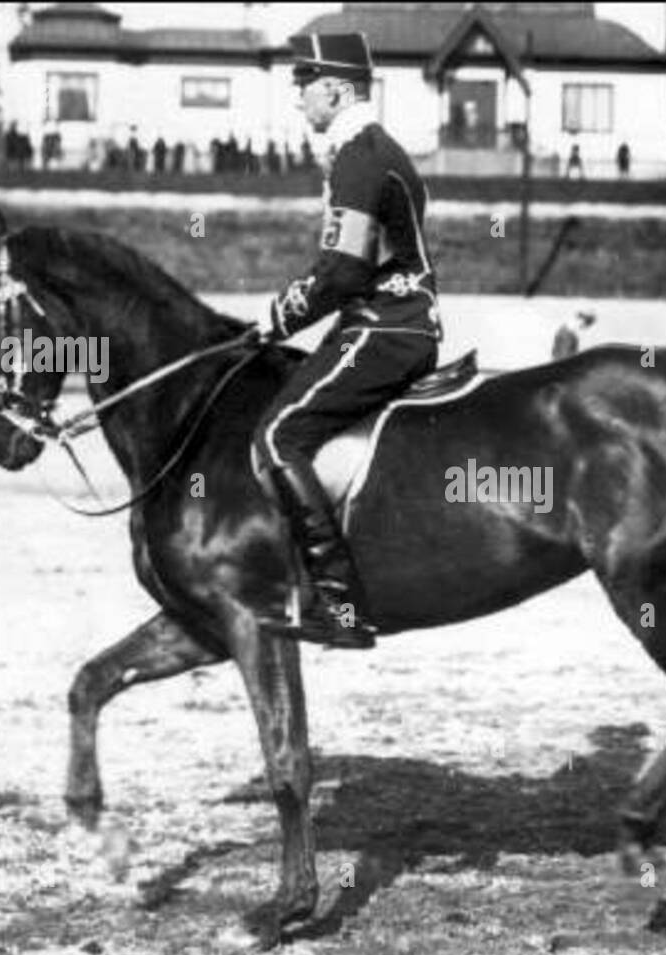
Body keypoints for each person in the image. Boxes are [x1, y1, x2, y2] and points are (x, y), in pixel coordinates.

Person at [254, 32, 441, 649]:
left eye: (302, 87)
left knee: (278, 435)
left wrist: (275, 320)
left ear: (335, 89)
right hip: (384, 319)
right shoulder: (365, 150)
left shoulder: (361, 158)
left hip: (385, 326)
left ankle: (339, 602)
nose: (297, 100)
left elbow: (342, 271)